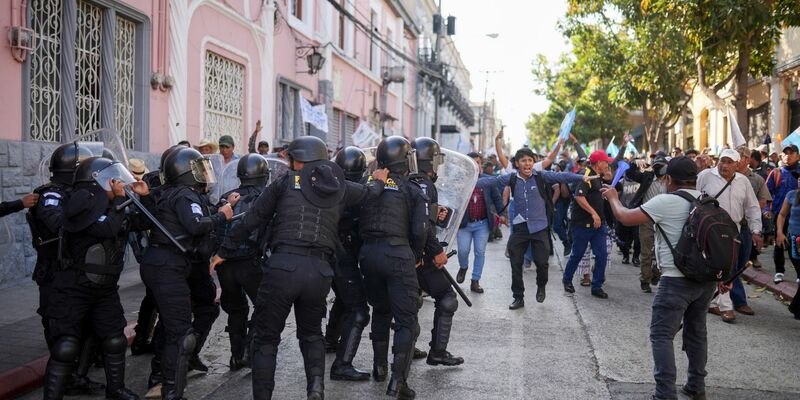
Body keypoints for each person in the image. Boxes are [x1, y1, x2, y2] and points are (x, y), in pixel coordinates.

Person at [210, 136, 388, 400]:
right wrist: (380, 180)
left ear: (298, 160)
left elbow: (252, 219)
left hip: (283, 268)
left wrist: (222, 252)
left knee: (266, 338)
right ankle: (315, 390)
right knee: (312, 335)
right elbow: (369, 194)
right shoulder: (339, 187)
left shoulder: (283, 183)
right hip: (319, 272)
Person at [602, 156, 715, 400]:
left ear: (669, 180)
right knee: (697, 333)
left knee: (661, 335)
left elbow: (624, 216)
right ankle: (696, 387)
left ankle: (665, 394)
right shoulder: (707, 200)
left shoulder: (665, 201)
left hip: (675, 280)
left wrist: (612, 197)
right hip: (705, 281)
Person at [44, 156, 149, 400]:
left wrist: (145, 196)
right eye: (112, 179)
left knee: (114, 340)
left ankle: (116, 390)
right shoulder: (81, 202)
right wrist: (120, 199)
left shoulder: (113, 206)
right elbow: (106, 228)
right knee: (66, 346)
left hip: (105, 289)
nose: (118, 183)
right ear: (98, 180)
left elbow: (141, 220)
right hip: (74, 286)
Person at [141, 147, 234, 400]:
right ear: (186, 172)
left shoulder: (172, 192)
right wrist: (221, 216)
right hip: (168, 265)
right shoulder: (185, 194)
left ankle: (164, 381)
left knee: (175, 327)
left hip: (167, 263)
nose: (204, 174)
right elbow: (195, 225)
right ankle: (169, 389)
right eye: (199, 169)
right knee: (181, 333)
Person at [356, 136, 429, 399]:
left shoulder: (369, 184)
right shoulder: (412, 189)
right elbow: (421, 229)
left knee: (380, 310)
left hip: (368, 254)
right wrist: (417, 254)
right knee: (406, 320)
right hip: (398, 254)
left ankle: (379, 368)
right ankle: (398, 382)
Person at [497, 147, 596, 310]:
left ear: (533, 162)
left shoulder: (541, 177)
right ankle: (518, 297)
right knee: (515, 264)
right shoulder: (512, 178)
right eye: (523, 160)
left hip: (540, 228)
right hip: (520, 228)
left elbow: (562, 175)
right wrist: (471, 180)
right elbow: (490, 181)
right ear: (517, 163)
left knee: (542, 264)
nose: (527, 163)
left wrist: (582, 177)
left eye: (530, 160)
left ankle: (541, 286)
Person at [411, 137, 467, 368]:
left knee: (409, 301)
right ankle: (438, 352)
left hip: (401, 255)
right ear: (431, 161)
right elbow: (422, 226)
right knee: (447, 299)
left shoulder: (405, 181)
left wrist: (436, 213)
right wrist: (435, 251)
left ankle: (405, 346)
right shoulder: (425, 184)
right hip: (422, 255)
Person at [214, 154, 270, 371]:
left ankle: (236, 356)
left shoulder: (227, 197)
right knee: (264, 306)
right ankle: (248, 349)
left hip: (225, 263)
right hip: (250, 262)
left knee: (236, 310)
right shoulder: (267, 198)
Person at [697, 149, 762, 323]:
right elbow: (694, 199)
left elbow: (752, 207)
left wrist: (756, 231)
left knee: (728, 266)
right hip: (709, 230)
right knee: (719, 265)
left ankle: (713, 302)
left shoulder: (743, 181)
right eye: (721, 161)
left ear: (737, 164)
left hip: (734, 231)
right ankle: (726, 307)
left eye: (728, 162)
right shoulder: (705, 176)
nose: (724, 165)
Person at [327, 146, 374, 381]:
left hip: (328, 254)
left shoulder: (326, 186)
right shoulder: (353, 192)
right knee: (358, 310)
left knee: (344, 300)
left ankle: (329, 340)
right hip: (341, 255)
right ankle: (342, 365)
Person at [562, 151, 615, 299]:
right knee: (577, 254)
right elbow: (579, 196)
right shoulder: (585, 174)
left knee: (602, 255)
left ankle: (596, 286)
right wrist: (594, 213)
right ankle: (567, 280)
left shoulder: (597, 176)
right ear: (598, 163)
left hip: (599, 226)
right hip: (582, 224)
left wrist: (609, 181)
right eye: (606, 162)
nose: (608, 164)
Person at [456, 154, 506, 293]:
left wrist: (502, 214)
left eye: (478, 162)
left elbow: (497, 198)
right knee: (463, 251)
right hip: (464, 225)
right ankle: (463, 267)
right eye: (472, 162)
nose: (475, 165)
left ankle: (475, 281)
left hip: (482, 224)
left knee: (480, 251)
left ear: (481, 165)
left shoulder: (488, 181)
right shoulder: (461, 181)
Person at [625, 155, 669, 293]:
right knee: (646, 251)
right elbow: (629, 173)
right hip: (646, 218)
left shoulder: (671, 180)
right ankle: (645, 280)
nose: (658, 169)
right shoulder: (647, 176)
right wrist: (634, 163)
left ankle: (656, 274)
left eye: (661, 166)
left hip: (664, 220)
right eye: (656, 165)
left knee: (662, 251)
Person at [735, 147, 771, 314]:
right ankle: (738, 300)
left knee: (741, 264)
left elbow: (763, 201)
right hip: (728, 227)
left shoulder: (756, 179)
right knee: (730, 264)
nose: (738, 159)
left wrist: (750, 206)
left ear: (748, 159)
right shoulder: (725, 176)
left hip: (746, 228)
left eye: (741, 157)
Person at [767, 143, 800, 284]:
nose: (788, 156)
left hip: (797, 218)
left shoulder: (799, 173)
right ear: (781, 156)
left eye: (791, 153)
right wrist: (766, 210)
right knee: (779, 243)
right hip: (780, 215)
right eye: (785, 153)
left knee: (796, 246)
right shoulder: (776, 173)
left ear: (797, 156)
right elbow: (767, 194)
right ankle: (779, 271)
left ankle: (799, 272)